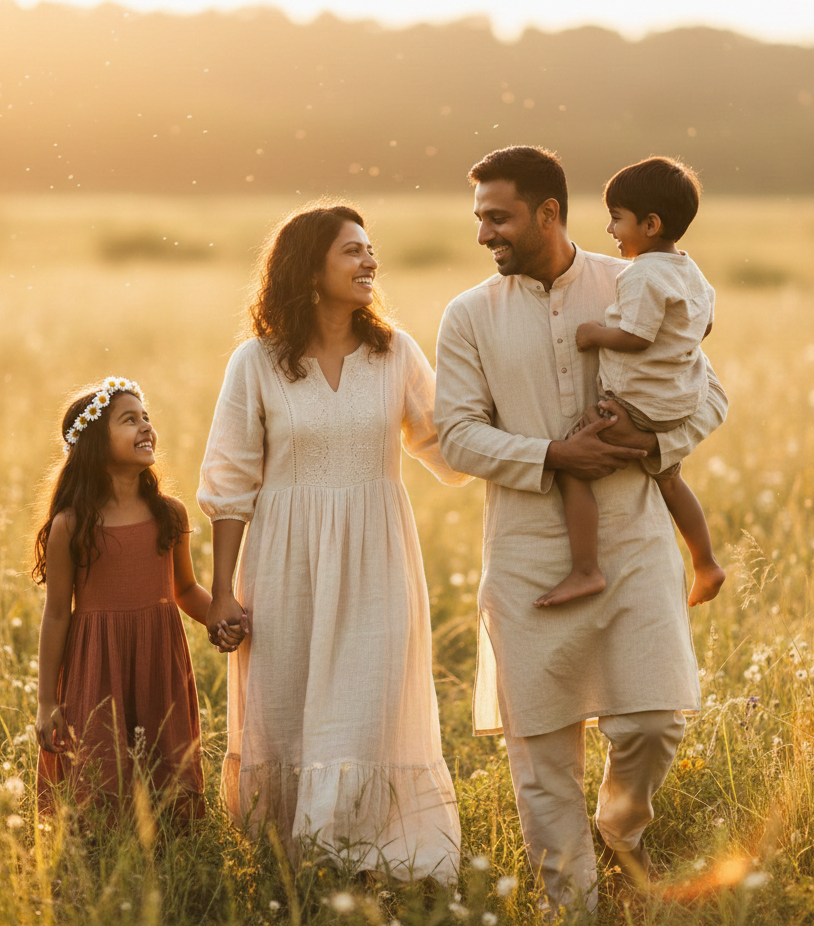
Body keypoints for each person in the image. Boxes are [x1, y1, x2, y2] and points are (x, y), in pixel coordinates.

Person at [434, 147, 728, 914]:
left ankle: (622, 824)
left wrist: (655, 447)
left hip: (633, 542)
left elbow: (708, 392)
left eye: (497, 218)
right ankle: (576, 908)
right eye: (479, 220)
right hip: (528, 555)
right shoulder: (468, 316)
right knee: (542, 760)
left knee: (652, 722)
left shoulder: (634, 280)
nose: (484, 235)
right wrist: (554, 453)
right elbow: (457, 437)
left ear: (549, 213)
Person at [198, 204, 468, 884]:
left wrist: (542, 435)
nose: (369, 262)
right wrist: (222, 591)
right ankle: (292, 863)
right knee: (286, 702)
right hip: (285, 559)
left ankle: (367, 855)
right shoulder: (255, 363)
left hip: (378, 556)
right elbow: (229, 482)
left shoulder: (395, 353)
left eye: (370, 250)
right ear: (308, 268)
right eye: (352, 251)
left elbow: (450, 449)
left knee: (366, 702)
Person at [34, 377, 234, 818]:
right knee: (100, 772)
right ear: (94, 445)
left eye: (146, 417)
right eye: (130, 419)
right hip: (97, 664)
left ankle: (170, 853)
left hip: (157, 660)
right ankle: (105, 855)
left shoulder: (169, 513)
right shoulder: (71, 525)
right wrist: (47, 701)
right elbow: (56, 616)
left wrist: (218, 620)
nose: (146, 427)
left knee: (167, 766)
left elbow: (183, 589)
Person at [536, 156, 725, 609]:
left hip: (636, 407)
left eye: (616, 219)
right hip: (677, 402)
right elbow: (704, 329)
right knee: (671, 479)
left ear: (652, 224)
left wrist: (594, 334)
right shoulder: (689, 269)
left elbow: (636, 337)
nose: (609, 230)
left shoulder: (642, 274)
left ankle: (585, 570)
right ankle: (706, 563)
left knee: (569, 461)